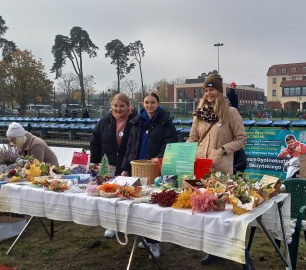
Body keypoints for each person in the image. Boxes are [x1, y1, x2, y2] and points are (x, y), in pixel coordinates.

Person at [186, 74, 247, 266]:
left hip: (221, 170)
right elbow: (193, 138)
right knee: (206, 212)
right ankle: (213, 250)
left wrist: (222, 150)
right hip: (201, 168)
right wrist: (184, 151)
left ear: (220, 91)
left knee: (224, 213)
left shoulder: (231, 113)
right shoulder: (199, 113)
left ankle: (242, 253)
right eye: (206, 90)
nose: (209, 93)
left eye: (212, 89)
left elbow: (241, 139)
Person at [120, 92, 178, 259]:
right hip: (138, 169)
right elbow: (131, 146)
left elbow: (171, 142)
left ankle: (154, 243)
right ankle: (144, 235)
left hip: (155, 170)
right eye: (147, 102)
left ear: (158, 103)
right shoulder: (137, 121)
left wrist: (160, 156)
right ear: (143, 104)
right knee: (138, 204)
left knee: (153, 206)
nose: (149, 105)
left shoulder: (165, 120)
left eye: (153, 102)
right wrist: (125, 168)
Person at [90, 93, 137, 238]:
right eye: (115, 106)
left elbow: (135, 146)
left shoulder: (135, 121)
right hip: (108, 166)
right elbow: (95, 143)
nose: (118, 109)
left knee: (127, 196)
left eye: (122, 106)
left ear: (128, 106)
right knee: (109, 196)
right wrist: (94, 161)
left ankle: (131, 225)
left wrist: (126, 168)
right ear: (111, 106)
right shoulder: (104, 122)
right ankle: (112, 224)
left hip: (127, 165)